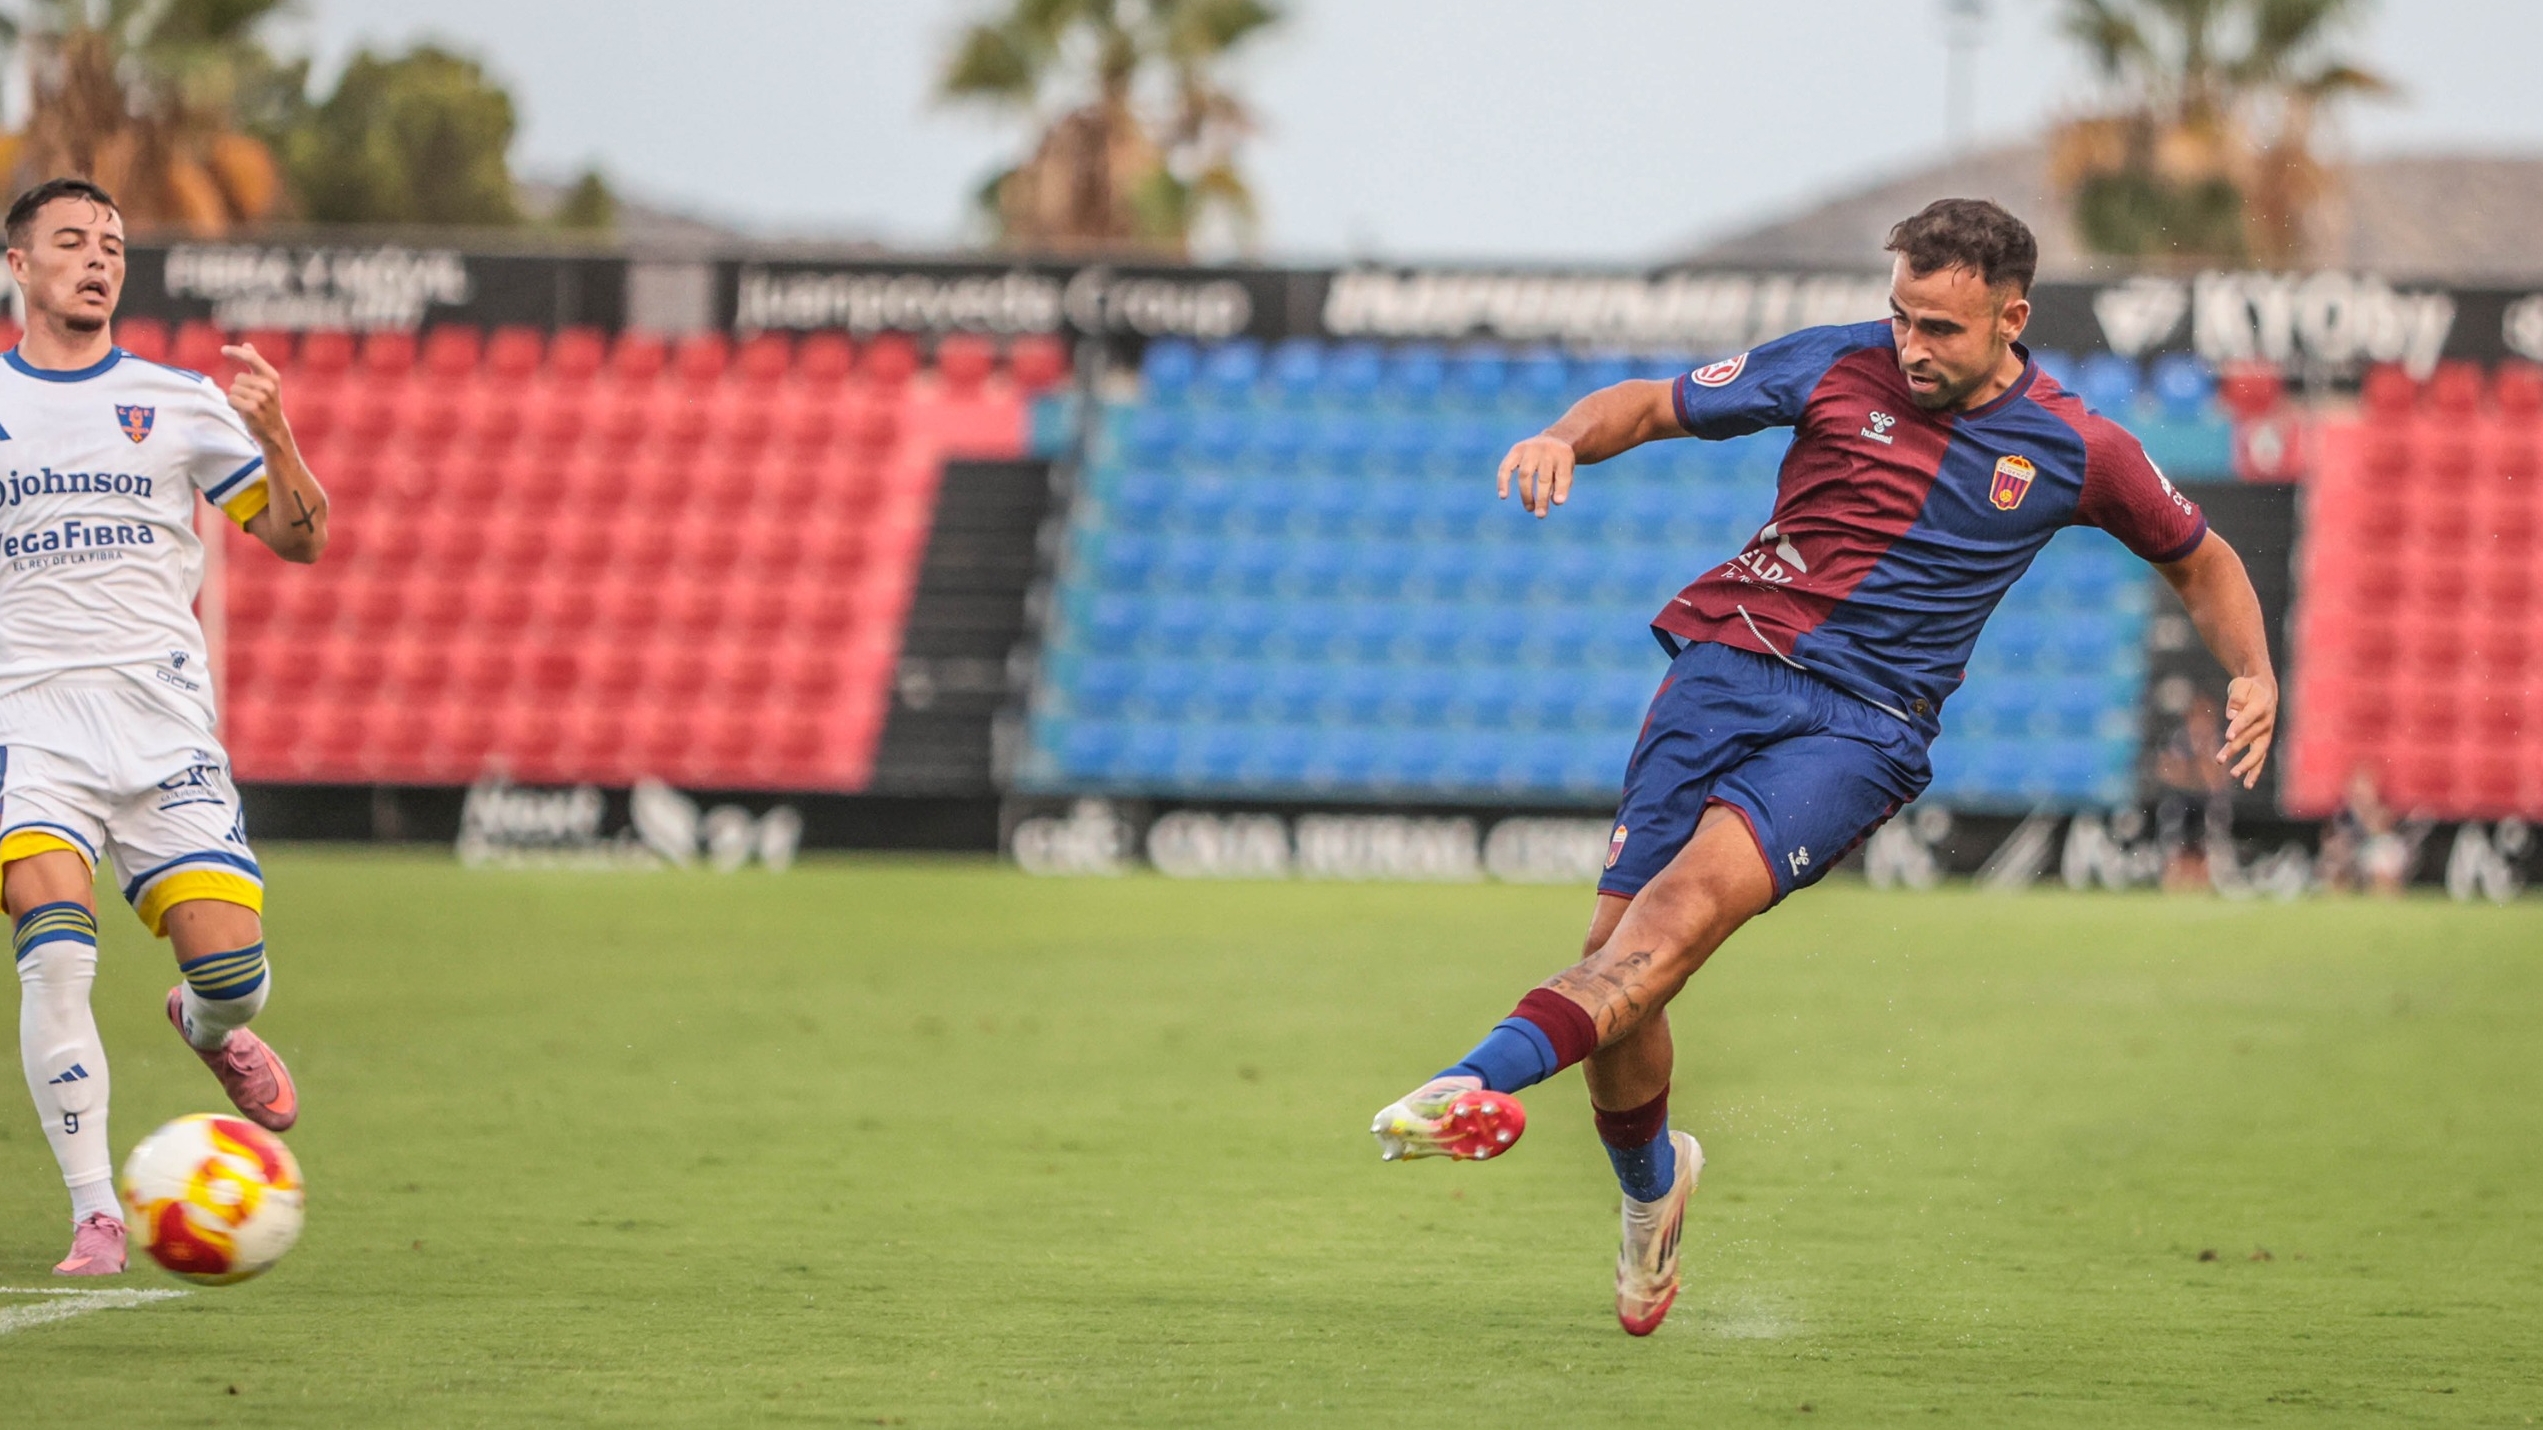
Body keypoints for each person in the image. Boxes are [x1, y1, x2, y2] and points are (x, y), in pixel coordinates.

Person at [1368, 199, 2278, 1335]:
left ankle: (1469, 1082)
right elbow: (1651, 404)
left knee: (1663, 936)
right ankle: (1651, 1194)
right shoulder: (1834, 360)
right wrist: (1563, 434)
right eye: (1900, 315)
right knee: (1613, 967)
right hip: (1715, 675)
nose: (1909, 345)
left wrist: (2250, 670)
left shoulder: (2075, 446)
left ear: (2010, 317)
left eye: (1940, 327)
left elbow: (2197, 559)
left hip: (1859, 730)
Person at [1, 177, 329, 1276]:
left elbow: (301, 539)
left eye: (113, 244)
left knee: (234, 965)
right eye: (71, 241)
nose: (98, 258)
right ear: (17, 265)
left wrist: (277, 436)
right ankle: (97, 1209)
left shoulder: (177, 398)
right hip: (27, 723)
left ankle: (212, 1024)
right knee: (52, 950)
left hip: (160, 725)